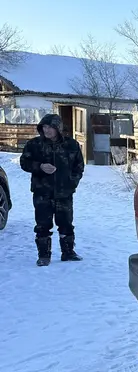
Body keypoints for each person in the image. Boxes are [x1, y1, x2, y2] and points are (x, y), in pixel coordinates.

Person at [20, 113, 84, 266]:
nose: (47, 130)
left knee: (66, 223)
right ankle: (44, 256)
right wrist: (39, 166)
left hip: (64, 193)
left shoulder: (71, 145)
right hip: (42, 193)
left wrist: (71, 183)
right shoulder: (34, 144)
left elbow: (79, 167)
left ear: (58, 128)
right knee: (42, 225)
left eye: (51, 127)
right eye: (44, 127)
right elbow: (24, 163)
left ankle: (68, 252)